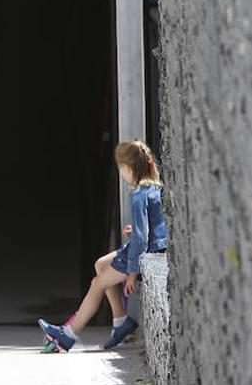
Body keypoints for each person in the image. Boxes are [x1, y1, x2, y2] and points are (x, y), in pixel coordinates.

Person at [39, 139, 169, 351]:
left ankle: (68, 335)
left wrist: (132, 271)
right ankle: (121, 322)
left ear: (128, 168)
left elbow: (140, 237)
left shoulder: (138, 194)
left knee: (97, 284)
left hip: (143, 250)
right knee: (101, 264)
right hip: (153, 246)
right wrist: (135, 232)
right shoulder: (154, 188)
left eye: (121, 168)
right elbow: (151, 226)